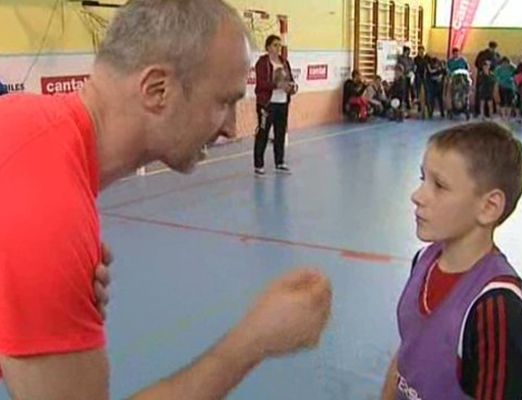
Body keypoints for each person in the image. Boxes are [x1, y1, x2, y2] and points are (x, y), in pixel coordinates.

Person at [0, 1, 332, 399]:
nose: (229, 127)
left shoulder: (24, 127)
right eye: (223, 102)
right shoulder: (47, 214)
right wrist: (253, 341)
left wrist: (36, 311)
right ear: (157, 89)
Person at [381, 122, 522, 400]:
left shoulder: (495, 305)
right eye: (422, 179)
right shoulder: (424, 261)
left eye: (439, 185)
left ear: (488, 207)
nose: (417, 196)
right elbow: (407, 353)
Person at [253, 34, 298, 176]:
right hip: (267, 105)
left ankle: (280, 162)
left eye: (279, 45)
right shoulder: (262, 63)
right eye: (274, 45)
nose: (278, 48)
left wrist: (292, 87)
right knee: (263, 133)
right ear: (268, 47)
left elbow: (290, 79)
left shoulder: (285, 62)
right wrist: (276, 84)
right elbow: (261, 84)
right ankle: (258, 165)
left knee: (280, 133)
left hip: (282, 103)